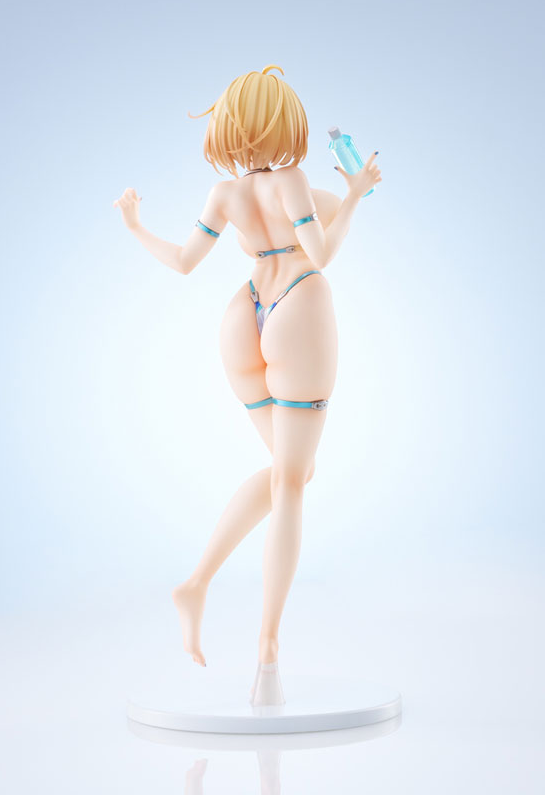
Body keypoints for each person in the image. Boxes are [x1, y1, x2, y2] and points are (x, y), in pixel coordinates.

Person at [113, 65, 382, 704]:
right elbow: (322, 253)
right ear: (282, 123)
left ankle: (196, 582)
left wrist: (135, 227)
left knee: (294, 471)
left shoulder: (224, 194)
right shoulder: (291, 179)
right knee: (291, 481)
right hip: (297, 305)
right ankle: (267, 650)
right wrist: (356, 194)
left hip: (243, 316)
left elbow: (184, 262)